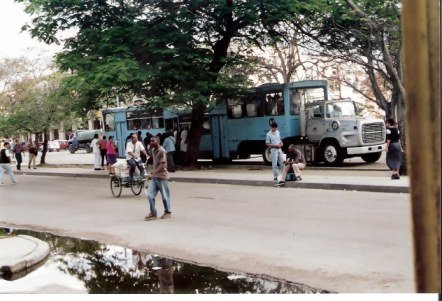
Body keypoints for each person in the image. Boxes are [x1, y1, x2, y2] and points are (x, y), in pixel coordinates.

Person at [145, 136, 172, 220]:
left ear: (158, 141)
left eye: (153, 141)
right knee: (150, 195)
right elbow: (155, 163)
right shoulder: (153, 151)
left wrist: (154, 173)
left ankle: (167, 212)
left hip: (162, 177)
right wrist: (152, 173)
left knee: (165, 196)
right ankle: (153, 212)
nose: (151, 142)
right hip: (155, 177)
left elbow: (162, 164)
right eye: (150, 141)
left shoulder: (162, 151)